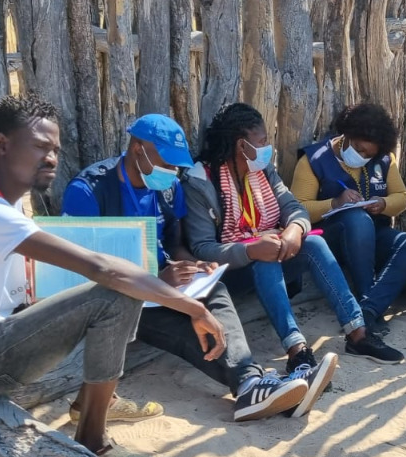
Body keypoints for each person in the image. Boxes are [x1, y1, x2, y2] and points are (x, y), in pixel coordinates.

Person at [0, 95, 226, 457]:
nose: (51, 158)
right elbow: (101, 268)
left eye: (55, 149)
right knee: (117, 291)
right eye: (40, 147)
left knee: (110, 292)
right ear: (3, 145)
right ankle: (93, 441)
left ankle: (94, 401)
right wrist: (194, 308)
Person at [62, 114, 310, 421]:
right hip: (116, 298)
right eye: (167, 163)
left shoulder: (168, 188)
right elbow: (82, 271)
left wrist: (191, 265)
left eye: (176, 164)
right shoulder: (89, 190)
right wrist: (156, 280)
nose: (173, 171)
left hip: (161, 286)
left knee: (214, 287)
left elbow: (175, 243)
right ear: (138, 148)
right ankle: (251, 383)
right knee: (184, 327)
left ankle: (250, 384)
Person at [183, 103, 404, 405]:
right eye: (261, 142)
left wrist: (294, 230)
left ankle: (358, 333)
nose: (267, 148)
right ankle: (297, 352)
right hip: (229, 272)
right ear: (240, 145)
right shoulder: (201, 181)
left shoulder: (262, 170)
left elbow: (295, 208)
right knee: (265, 260)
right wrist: (251, 249)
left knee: (313, 243)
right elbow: (202, 249)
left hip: (269, 250)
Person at [290, 103, 406, 335]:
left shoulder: (384, 159)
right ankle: (365, 295)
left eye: (369, 155)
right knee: (356, 219)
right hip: (331, 241)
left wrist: (383, 204)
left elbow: (402, 197)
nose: (362, 157)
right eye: (358, 149)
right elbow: (298, 208)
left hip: (374, 233)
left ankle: (368, 310)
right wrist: (335, 203)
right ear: (346, 135)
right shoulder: (314, 159)